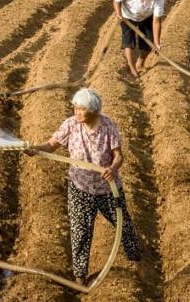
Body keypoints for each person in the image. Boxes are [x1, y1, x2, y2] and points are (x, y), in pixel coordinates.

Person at [25, 88, 140, 285]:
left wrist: (112, 168)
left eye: (81, 109)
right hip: (79, 187)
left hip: (107, 188)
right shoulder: (70, 125)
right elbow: (51, 145)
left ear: (94, 111)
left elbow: (118, 156)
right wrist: (35, 149)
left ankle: (137, 260)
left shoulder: (108, 126)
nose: (77, 112)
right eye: (75, 108)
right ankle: (80, 276)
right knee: (80, 232)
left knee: (124, 225)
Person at [113, 0, 165, 77]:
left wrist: (157, 42)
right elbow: (117, 0)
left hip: (146, 16)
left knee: (149, 44)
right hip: (127, 16)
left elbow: (156, 21)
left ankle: (140, 64)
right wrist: (119, 14)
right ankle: (131, 67)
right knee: (128, 42)